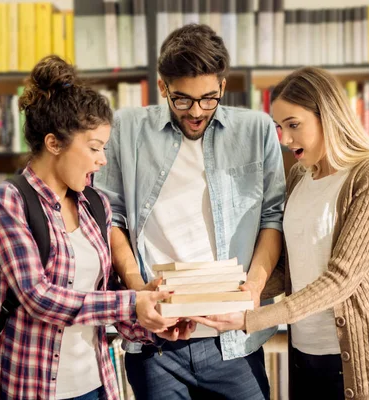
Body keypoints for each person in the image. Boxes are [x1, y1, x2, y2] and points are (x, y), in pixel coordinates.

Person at [192, 67, 369, 400]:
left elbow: (341, 279)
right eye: (279, 127)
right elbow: (289, 268)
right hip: (304, 356)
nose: (284, 139)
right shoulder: (299, 176)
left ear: (328, 116)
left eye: (293, 125)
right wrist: (227, 295)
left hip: (362, 366)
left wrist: (250, 318)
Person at [0, 55, 193, 400]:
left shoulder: (95, 204)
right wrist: (132, 302)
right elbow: (38, 297)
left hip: (94, 384)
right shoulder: (7, 202)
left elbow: (104, 297)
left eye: (104, 148)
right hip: (28, 386)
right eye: (94, 147)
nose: (102, 159)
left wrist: (153, 323)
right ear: (53, 143)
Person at [93, 24, 286, 399]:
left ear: (223, 86)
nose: (196, 112)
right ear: (163, 87)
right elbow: (109, 217)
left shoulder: (257, 130)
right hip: (156, 345)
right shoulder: (126, 129)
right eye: (182, 100)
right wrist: (137, 293)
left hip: (234, 340)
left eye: (208, 99)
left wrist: (254, 288)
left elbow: (272, 217)